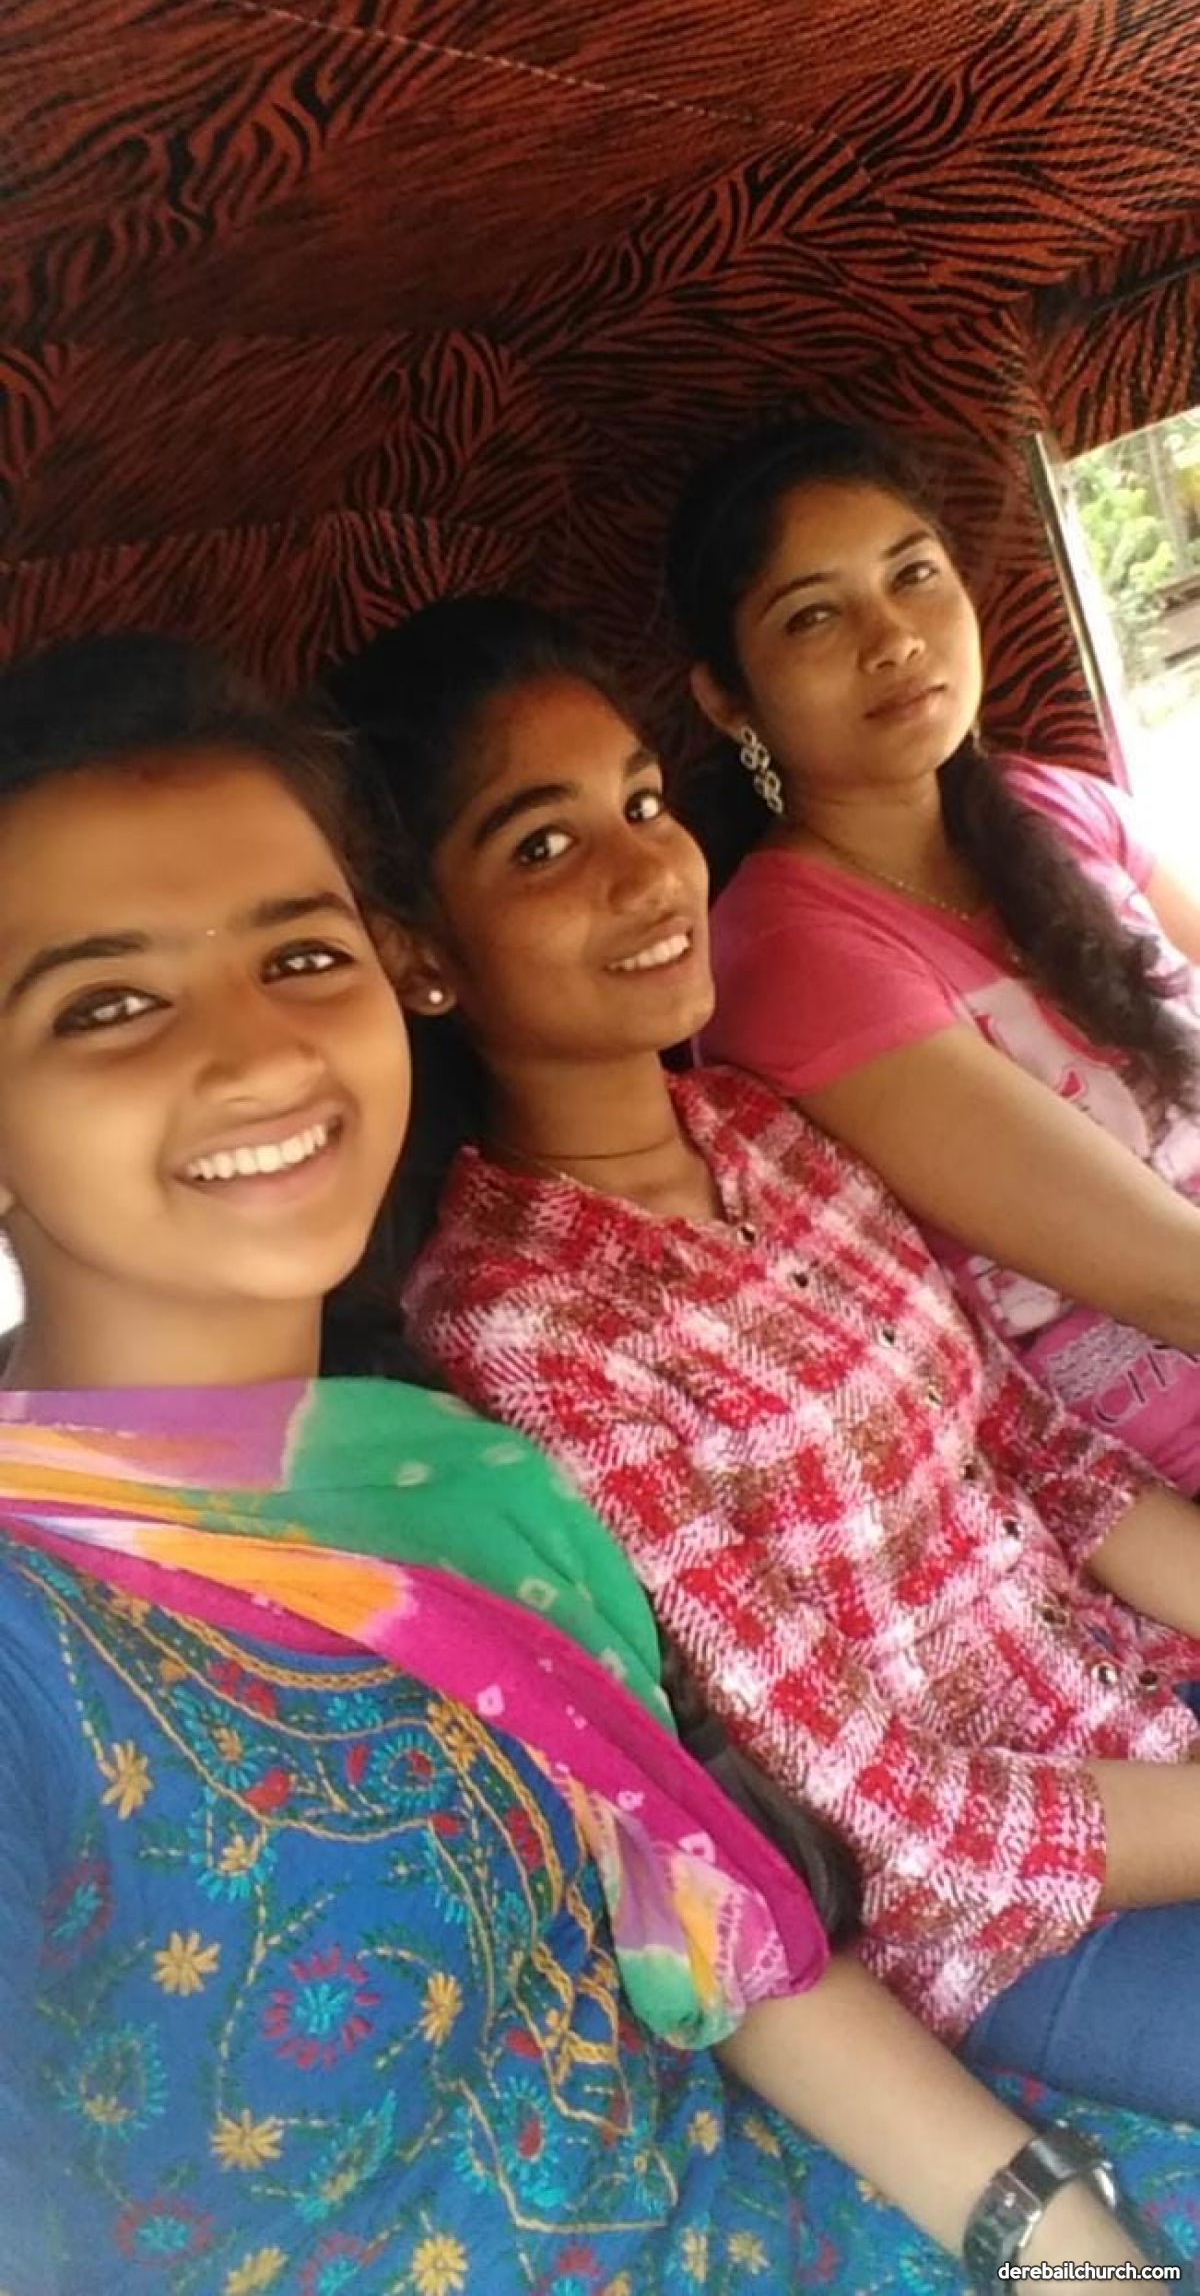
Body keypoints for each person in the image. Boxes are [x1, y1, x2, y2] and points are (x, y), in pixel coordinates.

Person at [0, 638, 1176, 2296]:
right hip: (987, 1928)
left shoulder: (460, 1480)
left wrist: (1073, 2253)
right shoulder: (54, 1629)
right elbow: (888, 1834)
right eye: (107, 1005)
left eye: (301, 955)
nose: (260, 1055)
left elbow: (721, 1927)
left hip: (811, 2172)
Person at [335, 590, 1200, 2128]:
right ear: (421, 952)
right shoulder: (516, 1328)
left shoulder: (757, 1130)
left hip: (1140, 1705)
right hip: (1014, 1923)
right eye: (543, 845)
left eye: (642, 805)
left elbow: (1038, 1452)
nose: (644, 870)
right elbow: (893, 1817)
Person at [663, 414, 1200, 1493]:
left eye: (913, 574)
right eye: (814, 614)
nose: (894, 637)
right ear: (729, 698)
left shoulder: (1058, 807)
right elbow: (1175, 1284)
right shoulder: (787, 955)